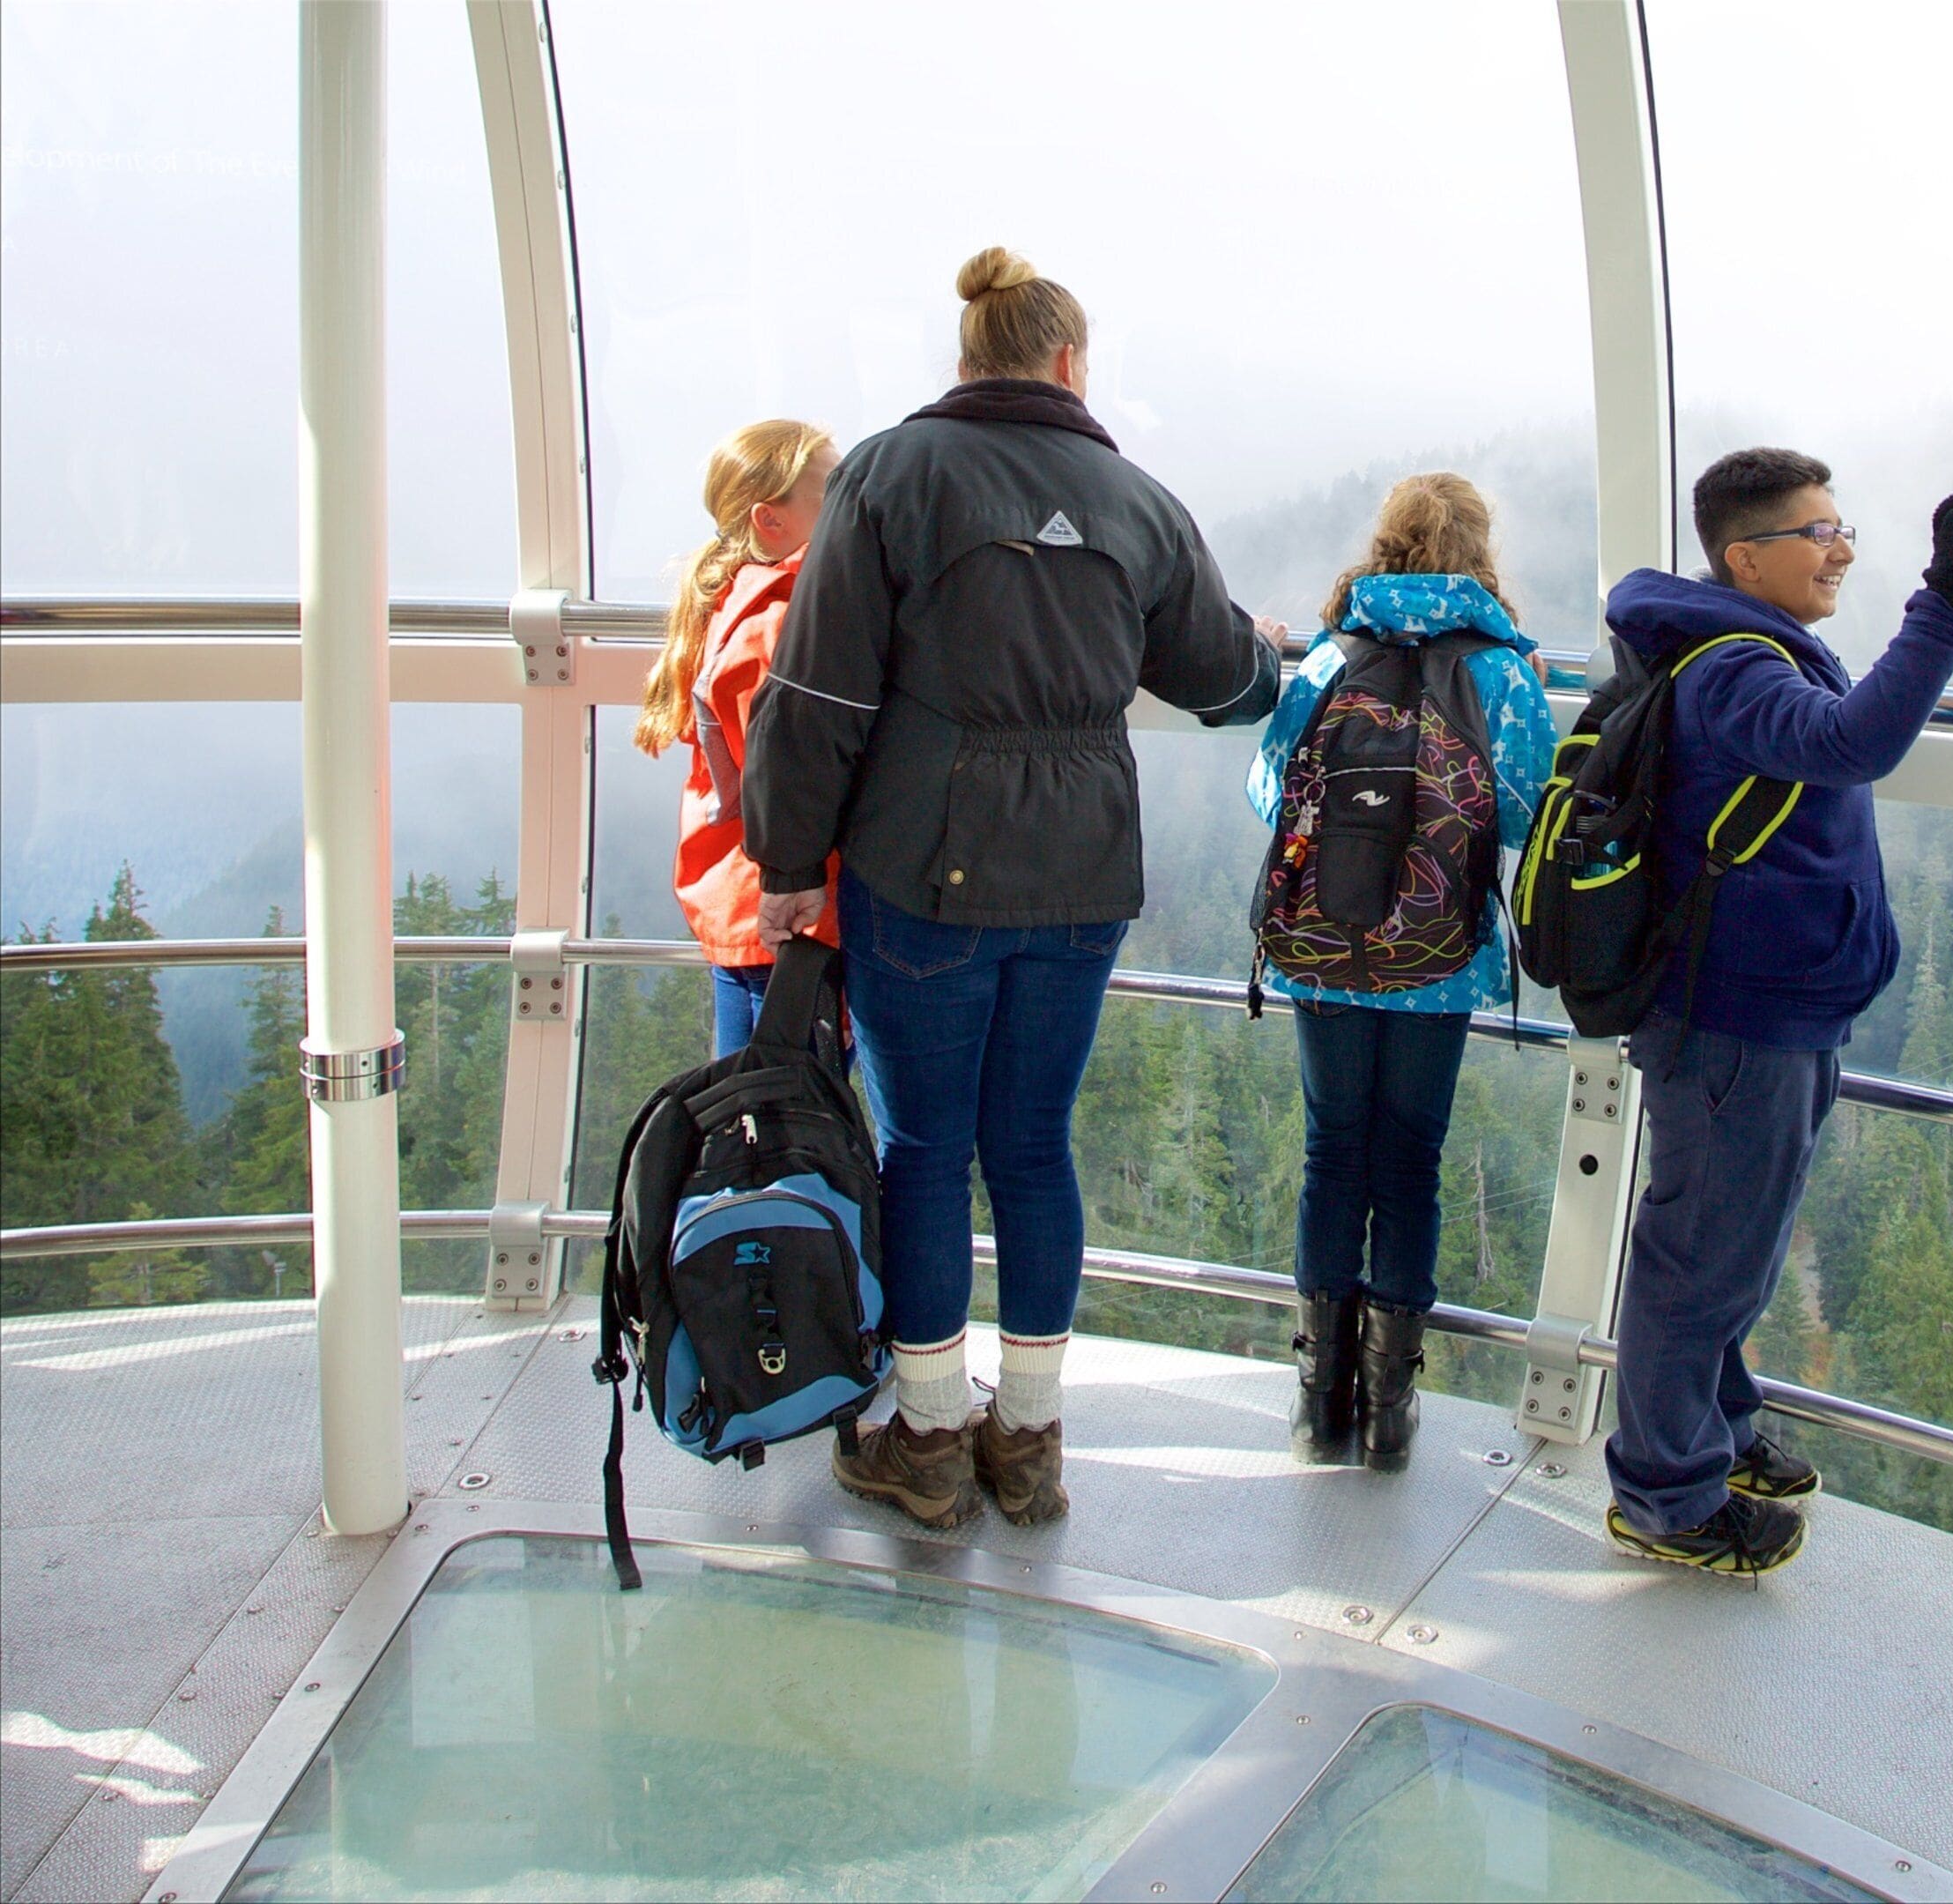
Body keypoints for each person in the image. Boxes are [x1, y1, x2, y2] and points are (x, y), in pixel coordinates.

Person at [740, 246, 1281, 1533]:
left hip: (924, 871)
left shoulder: (891, 474)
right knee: (1034, 1147)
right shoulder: (1139, 499)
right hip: (1084, 873)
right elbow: (1220, 681)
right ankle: (1028, 1443)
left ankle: (930, 1441)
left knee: (927, 1151)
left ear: (968, 355)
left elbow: (814, 692)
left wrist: (786, 864)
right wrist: (1269, 662)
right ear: (1070, 363)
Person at [1594, 449, 1953, 1574]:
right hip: (1737, 1018)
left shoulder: (1746, 646)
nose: (1843, 550)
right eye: (1819, 533)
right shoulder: (1733, 667)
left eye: (1841, 527)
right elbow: (1853, 741)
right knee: (1701, 1258)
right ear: (1745, 558)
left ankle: (1715, 1432)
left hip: (1769, 1007)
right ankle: (1666, 1496)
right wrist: (1944, 605)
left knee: (1732, 1246)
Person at [1248, 473, 1556, 1469]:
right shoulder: (1500, 673)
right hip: (1440, 957)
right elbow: (1526, 816)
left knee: (1333, 1153)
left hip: (1325, 949)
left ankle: (1317, 1403)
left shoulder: (1331, 657)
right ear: (1479, 552)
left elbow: (1271, 792)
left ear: (1385, 544)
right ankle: (1388, 1412)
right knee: (1411, 1162)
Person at [630, 420, 841, 1055]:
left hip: (743, 902)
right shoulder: (779, 622)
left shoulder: (737, 599)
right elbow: (788, 780)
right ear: (770, 520)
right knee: (782, 1099)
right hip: (784, 914)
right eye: (833, 492)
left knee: (755, 1092)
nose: (852, 506)